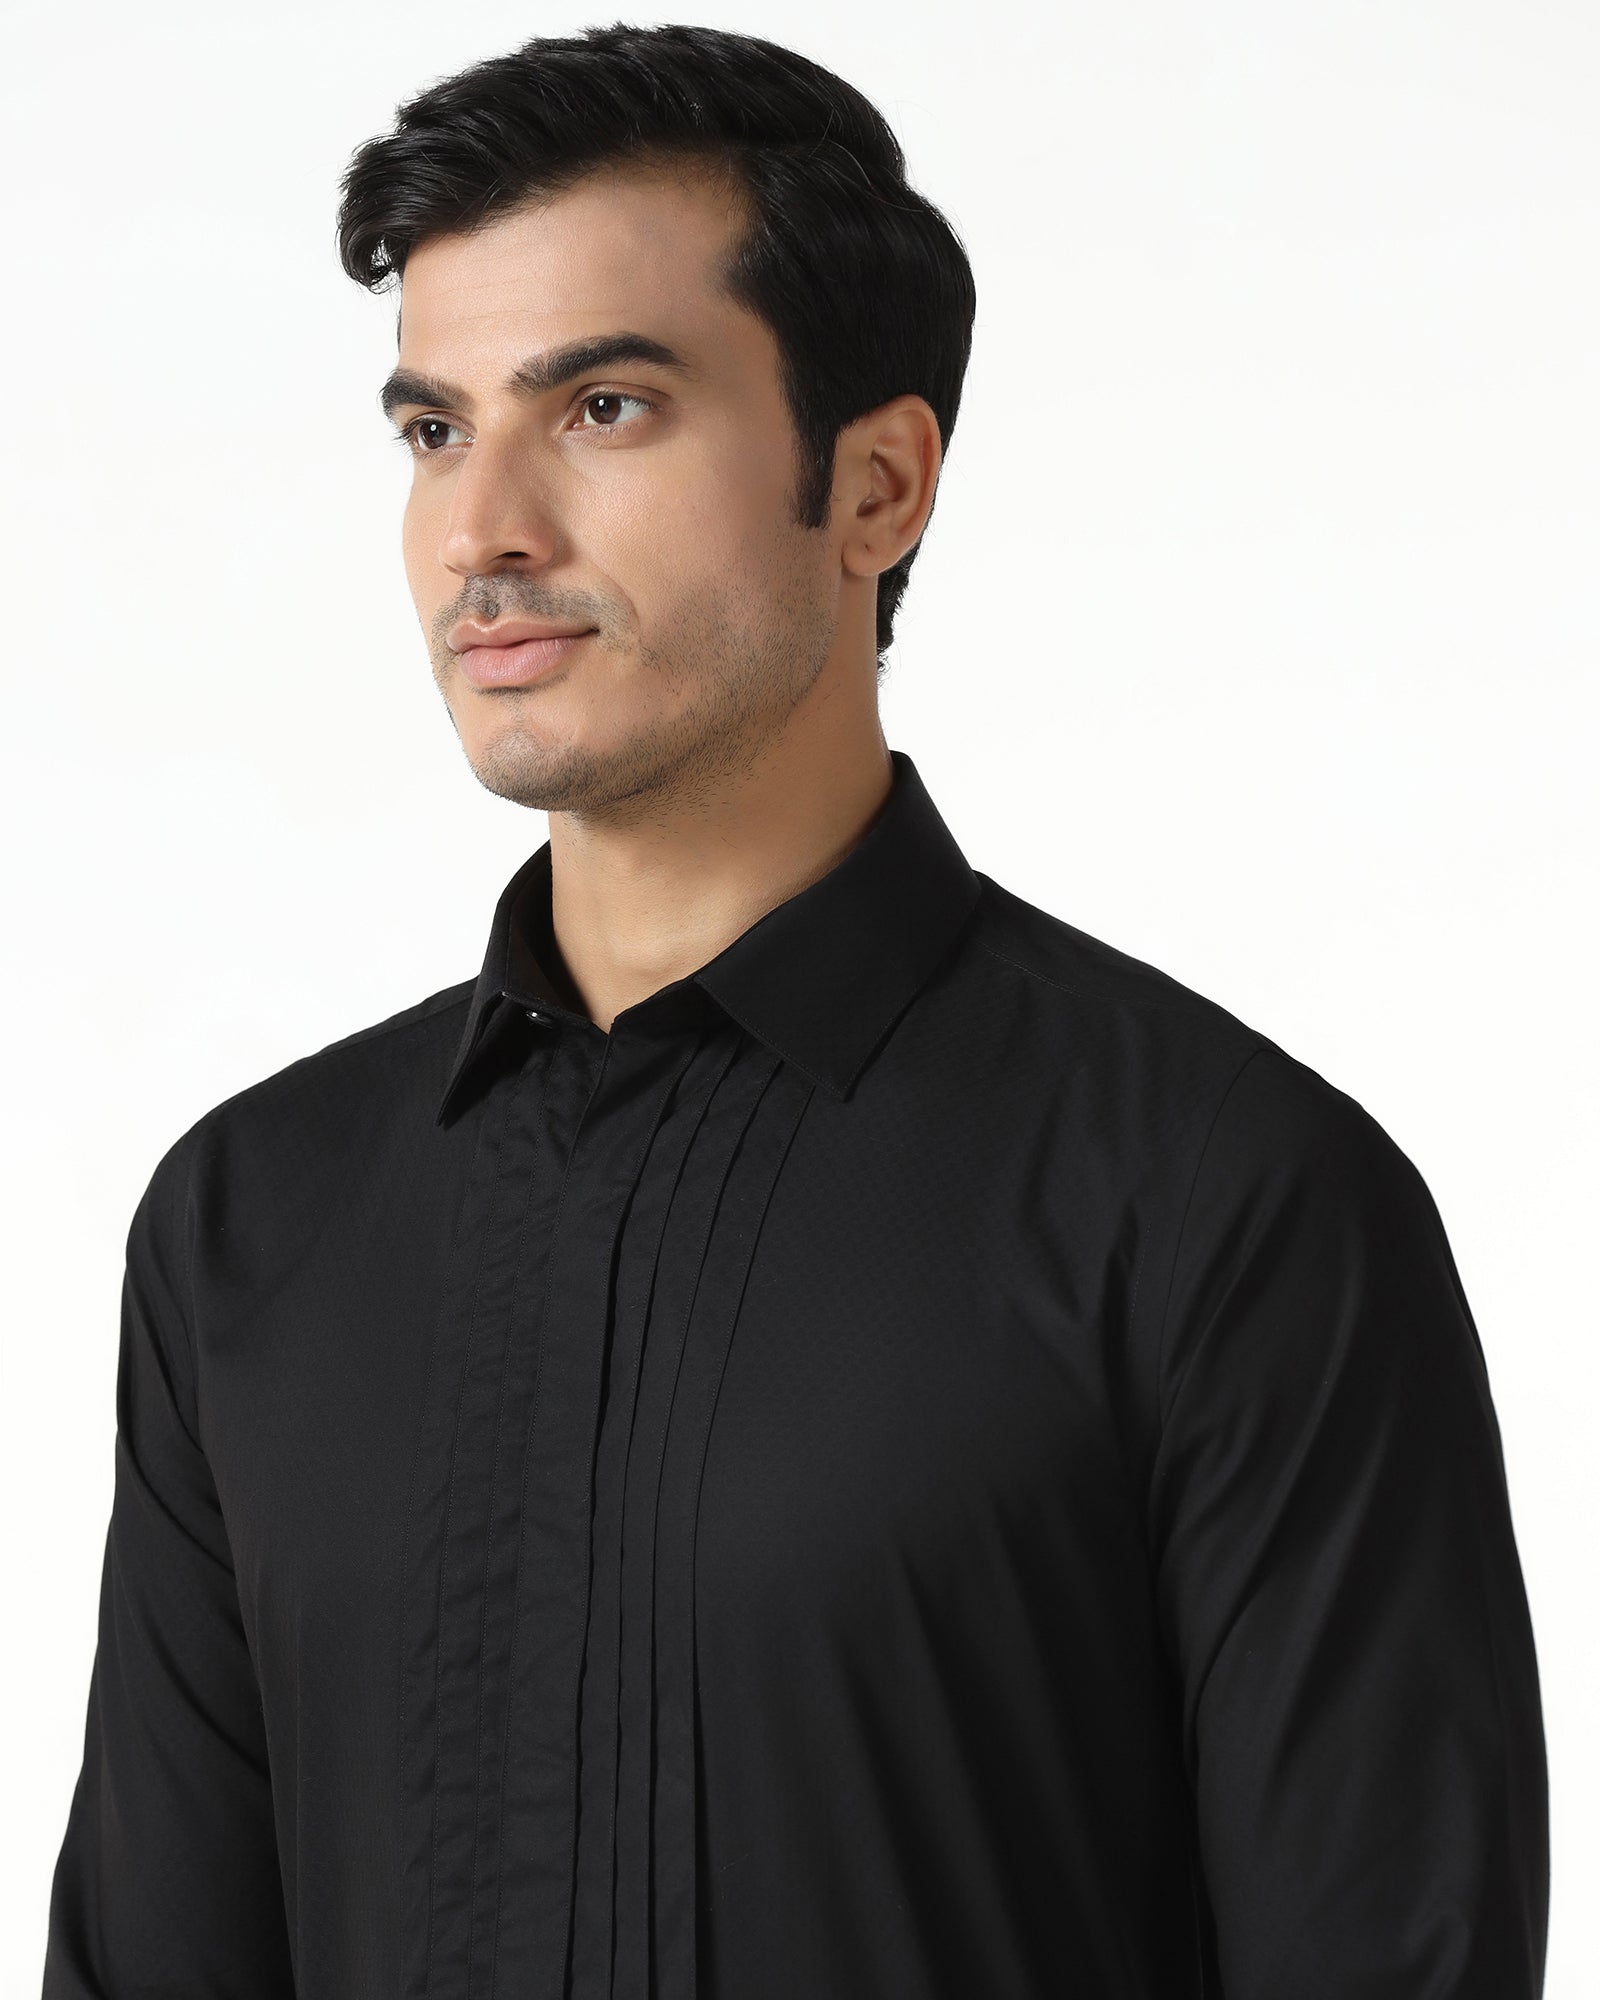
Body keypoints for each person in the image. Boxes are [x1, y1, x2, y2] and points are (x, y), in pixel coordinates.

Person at [41, 22, 1547, 2000]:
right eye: (432, 431)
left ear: (877, 484)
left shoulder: (1229, 1209)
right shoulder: (247, 1228)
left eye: (603, 408)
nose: (483, 529)